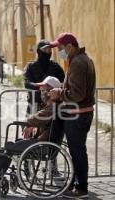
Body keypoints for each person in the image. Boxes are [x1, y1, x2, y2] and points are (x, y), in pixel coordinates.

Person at [0, 76, 64, 195]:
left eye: (44, 89)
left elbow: (37, 118)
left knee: (5, 150)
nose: (41, 92)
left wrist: (29, 122)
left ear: (52, 91)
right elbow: (41, 120)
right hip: (42, 143)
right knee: (3, 151)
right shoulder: (54, 104)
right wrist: (33, 125)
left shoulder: (53, 105)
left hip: (42, 146)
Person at [48, 33, 96, 199]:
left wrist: (59, 93)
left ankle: (81, 188)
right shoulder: (82, 59)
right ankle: (76, 184)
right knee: (77, 151)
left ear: (69, 46)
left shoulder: (78, 62)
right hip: (79, 113)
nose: (59, 51)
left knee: (77, 152)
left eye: (60, 48)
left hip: (78, 115)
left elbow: (77, 94)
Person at [24, 40, 65, 115]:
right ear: (38, 51)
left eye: (49, 49)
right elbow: (26, 83)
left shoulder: (55, 66)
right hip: (34, 105)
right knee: (30, 124)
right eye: (45, 49)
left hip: (52, 106)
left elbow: (64, 82)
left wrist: (55, 90)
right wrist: (41, 86)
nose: (47, 52)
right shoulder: (31, 66)